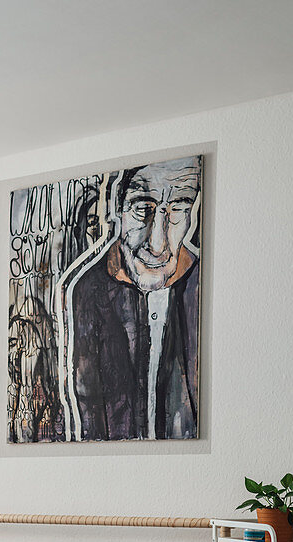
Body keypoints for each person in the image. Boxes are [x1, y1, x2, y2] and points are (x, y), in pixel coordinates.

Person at [64, 156, 201, 440]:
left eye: (178, 208)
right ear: (118, 209)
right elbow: (90, 411)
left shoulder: (199, 285)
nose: (157, 244)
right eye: (142, 209)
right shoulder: (91, 290)